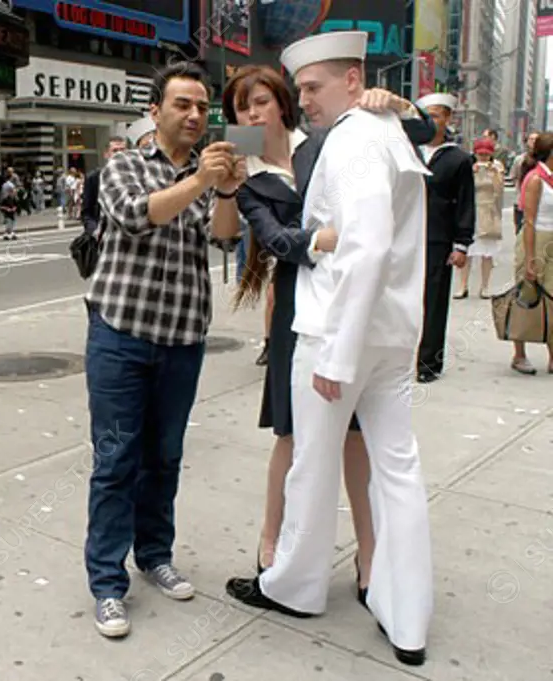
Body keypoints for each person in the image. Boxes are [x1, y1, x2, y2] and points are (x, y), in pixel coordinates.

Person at [224, 31, 434, 667]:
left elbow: (366, 247)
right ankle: (408, 615)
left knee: (313, 467)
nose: (303, 101)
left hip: (335, 333)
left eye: (310, 89)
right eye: (302, 89)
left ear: (353, 79)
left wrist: (338, 355)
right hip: (391, 335)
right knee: (398, 472)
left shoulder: (353, 135)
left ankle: (295, 586)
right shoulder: (377, 132)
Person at [84, 61, 245, 639]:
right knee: (115, 462)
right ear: (155, 112)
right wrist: (203, 180)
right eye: (183, 104)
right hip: (121, 336)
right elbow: (134, 215)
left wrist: (226, 188)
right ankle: (107, 583)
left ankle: (154, 553)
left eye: (202, 106)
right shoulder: (124, 164)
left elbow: (225, 235)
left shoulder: (208, 172)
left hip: (182, 339)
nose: (195, 115)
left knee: (165, 456)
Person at [414, 92, 476, 383]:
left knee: (434, 304)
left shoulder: (459, 159)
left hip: (438, 240)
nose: (431, 121)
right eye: (426, 116)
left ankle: (428, 364)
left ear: (448, 118)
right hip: (405, 238)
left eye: (437, 115)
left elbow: (466, 203)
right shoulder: (409, 151)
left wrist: (461, 243)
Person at [510, 132, 553, 375]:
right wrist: (529, 260)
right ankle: (519, 354)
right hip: (535, 240)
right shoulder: (536, 179)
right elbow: (528, 221)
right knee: (527, 297)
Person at [456, 137, 504, 299]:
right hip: (471, 209)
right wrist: (471, 173)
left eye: (486, 155)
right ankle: (463, 285)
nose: (483, 158)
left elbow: (499, 191)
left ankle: (485, 286)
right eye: (480, 154)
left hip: (489, 211)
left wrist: (494, 173)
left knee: (487, 252)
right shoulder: (468, 166)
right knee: (466, 250)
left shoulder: (497, 167)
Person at [80, 137, 127, 235]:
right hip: (103, 235)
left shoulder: (136, 175)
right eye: (115, 150)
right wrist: (94, 231)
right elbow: (87, 211)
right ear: (106, 154)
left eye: (123, 150)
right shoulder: (94, 178)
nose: (119, 154)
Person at [510, 132, 539, 234]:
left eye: (536, 139)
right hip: (521, 199)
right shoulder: (519, 159)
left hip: (538, 201)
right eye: (531, 139)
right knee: (520, 229)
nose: (533, 142)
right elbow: (514, 176)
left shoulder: (544, 160)